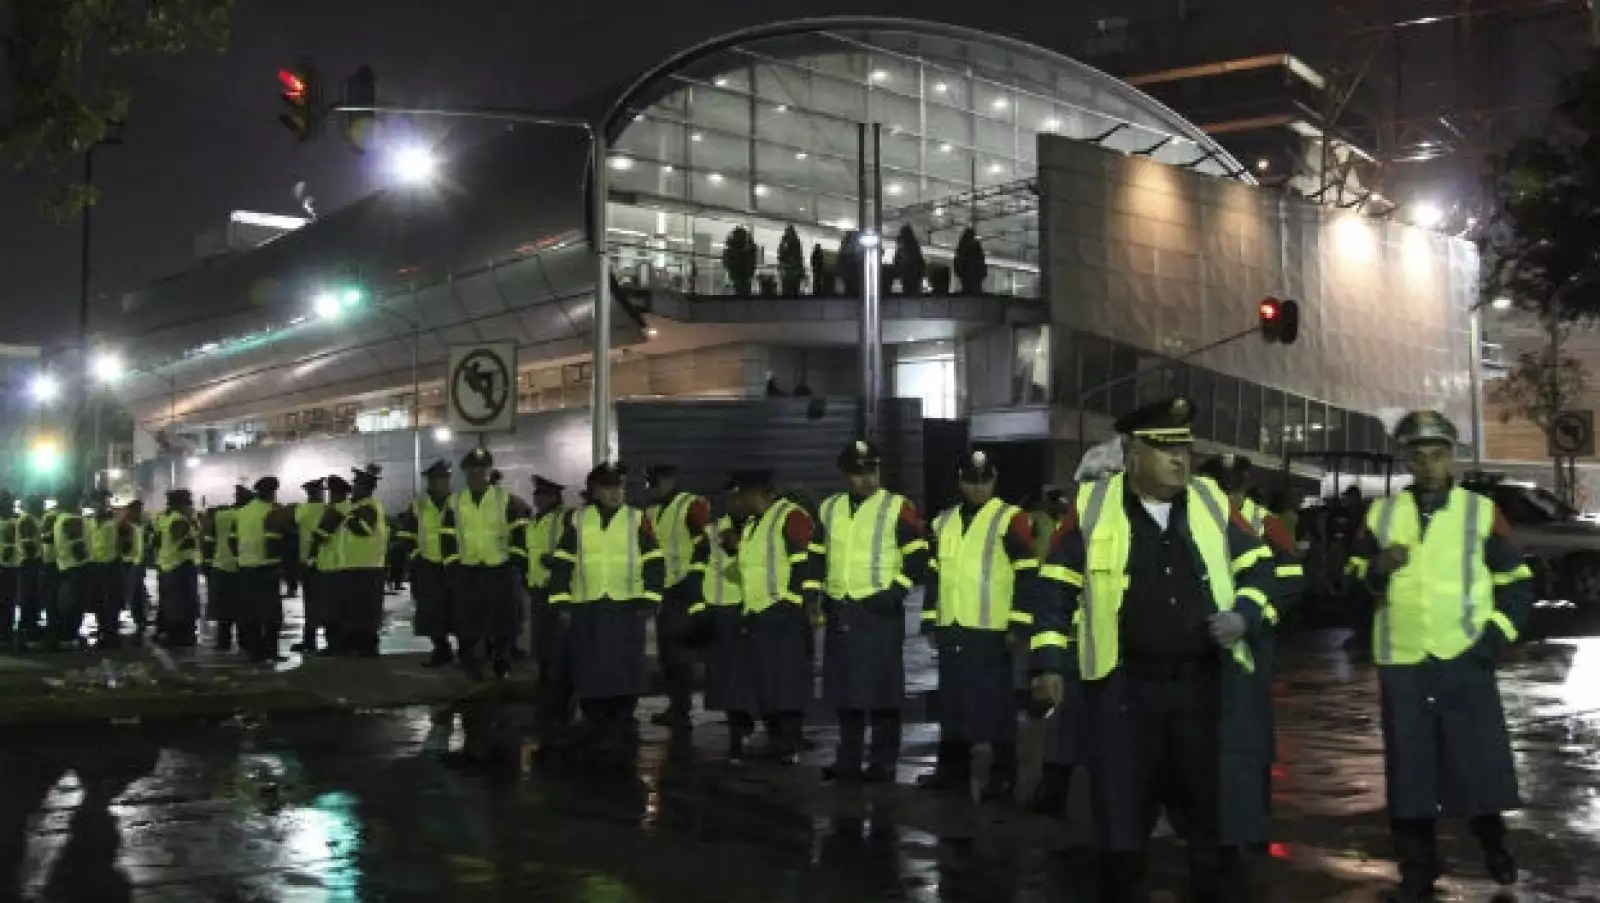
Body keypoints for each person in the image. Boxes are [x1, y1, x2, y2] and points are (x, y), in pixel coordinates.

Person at [1028, 396, 1278, 903]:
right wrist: (1049, 661)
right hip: (1123, 692)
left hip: (1201, 689)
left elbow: (1263, 567)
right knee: (1123, 821)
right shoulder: (1093, 508)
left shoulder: (1211, 502)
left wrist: (1245, 615)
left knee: (1211, 821)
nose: (1179, 460)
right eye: (1165, 449)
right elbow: (1054, 584)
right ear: (1132, 452)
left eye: (1184, 448)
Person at [1345, 411, 1533, 903]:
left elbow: (1518, 585)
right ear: (1406, 458)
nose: (1428, 465)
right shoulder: (1380, 514)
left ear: (1452, 457)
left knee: (1476, 764)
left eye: (1437, 454)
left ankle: (1494, 846)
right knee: (1410, 771)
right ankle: (1417, 871)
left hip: (1462, 657)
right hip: (1403, 659)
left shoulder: (1480, 511)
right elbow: (1351, 576)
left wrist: (1491, 641)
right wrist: (1377, 569)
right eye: (1418, 455)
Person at [920, 450, 1038, 802]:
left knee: (996, 706)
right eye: (971, 481)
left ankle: (1003, 774)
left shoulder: (1009, 519)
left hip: (992, 628)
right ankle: (952, 770)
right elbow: (934, 574)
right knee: (952, 701)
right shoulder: (944, 522)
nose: (978, 488)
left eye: (984, 480)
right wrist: (930, 618)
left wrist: (1018, 623)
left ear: (994, 480)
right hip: (953, 623)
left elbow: (1028, 574)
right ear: (960, 481)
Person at [1198, 454, 1305, 825]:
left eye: (1233, 488)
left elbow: (1290, 581)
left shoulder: (1265, 523)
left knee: (1250, 729)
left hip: (1251, 641)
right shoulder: (1199, 517)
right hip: (1205, 638)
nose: (1229, 495)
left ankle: (1251, 813)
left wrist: (1258, 620)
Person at [814, 439, 928, 783]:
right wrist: (815, 596)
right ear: (844, 475)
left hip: (878, 610)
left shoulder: (897, 507)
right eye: (857, 473)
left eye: (870, 471)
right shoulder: (830, 508)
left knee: (882, 690)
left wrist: (894, 593)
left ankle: (883, 761)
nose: (865, 480)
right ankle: (848, 758)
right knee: (845, 689)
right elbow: (818, 553)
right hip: (842, 607)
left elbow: (919, 553)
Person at [546, 462, 664, 764]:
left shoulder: (637, 520)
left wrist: (650, 599)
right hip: (588, 605)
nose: (616, 493)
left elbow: (654, 560)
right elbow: (562, 561)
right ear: (595, 491)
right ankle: (596, 723)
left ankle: (621, 721)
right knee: (591, 665)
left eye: (620, 487)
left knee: (625, 664)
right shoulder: (577, 520)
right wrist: (561, 602)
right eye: (609, 488)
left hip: (626, 605)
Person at [709, 468, 815, 765]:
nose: (737, 504)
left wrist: (794, 602)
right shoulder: (756, 524)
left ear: (753, 493)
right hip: (757, 613)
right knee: (767, 681)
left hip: (781, 611)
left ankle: (788, 739)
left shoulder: (789, 515)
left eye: (740, 496)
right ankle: (778, 739)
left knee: (785, 680)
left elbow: (803, 562)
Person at [441, 448, 521, 679]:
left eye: (481, 471)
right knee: (468, 619)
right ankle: (471, 662)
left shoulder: (504, 498)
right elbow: (447, 535)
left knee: (503, 618)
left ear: (488, 472)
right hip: (468, 569)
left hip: (499, 567)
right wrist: (453, 565)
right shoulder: (455, 501)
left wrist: (514, 559)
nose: (477, 476)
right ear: (465, 474)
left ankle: (501, 659)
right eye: (472, 472)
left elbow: (518, 529)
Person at [643, 464, 712, 728]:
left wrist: (693, 580)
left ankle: (681, 708)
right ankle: (676, 704)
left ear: (668, 481)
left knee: (679, 650)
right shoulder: (653, 510)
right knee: (667, 650)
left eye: (656, 484)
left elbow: (703, 547)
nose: (653, 491)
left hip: (684, 588)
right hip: (665, 588)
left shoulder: (690, 505)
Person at [686, 480, 746, 731]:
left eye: (740, 498)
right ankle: (736, 731)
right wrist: (699, 608)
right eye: (732, 498)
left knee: (750, 675)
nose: (737, 504)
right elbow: (696, 571)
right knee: (725, 676)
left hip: (752, 612)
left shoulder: (762, 530)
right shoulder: (712, 532)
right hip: (720, 612)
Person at [516, 475, 571, 719]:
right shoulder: (535, 521)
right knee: (541, 636)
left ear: (554, 497)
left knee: (557, 637)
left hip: (556, 587)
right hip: (538, 587)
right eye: (537, 495)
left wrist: (554, 560)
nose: (538, 499)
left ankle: (558, 683)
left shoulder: (564, 518)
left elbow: (571, 547)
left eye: (544, 495)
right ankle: (545, 675)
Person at [398, 461, 455, 666]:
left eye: (443, 479)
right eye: (435, 479)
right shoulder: (418, 504)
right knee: (430, 610)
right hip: (428, 565)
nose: (440, 483)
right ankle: (441, 648)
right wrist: (415, 558)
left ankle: (468, 653)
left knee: (459, 609)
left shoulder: (458, 502)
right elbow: (406, 534)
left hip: (455, 566)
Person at [233, 477, 287, 663]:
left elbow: (233, 539)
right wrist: (278, 566)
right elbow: (274, 541)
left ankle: (254, 651)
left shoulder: (242, 512)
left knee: (251, 613)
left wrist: (239, 559)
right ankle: (270, 651)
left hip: (245, 567)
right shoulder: (273, 511)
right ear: (271, 492)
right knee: (271, 614)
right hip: (266, 567)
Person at [341, 466, 387, 656]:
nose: (353, 489)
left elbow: (363, 530)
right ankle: (358, 643)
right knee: (357, 608)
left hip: (368, 566)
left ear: (366, 488)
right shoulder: (358, 506)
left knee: (366, 609)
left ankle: (368, 646)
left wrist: (349, 518)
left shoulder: (369, 506)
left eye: (356, 485)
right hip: (357, 564)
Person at [307, 476, 353, 653]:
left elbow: (320, 535)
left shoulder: (336, 510)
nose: (329, 496)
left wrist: (310, 558)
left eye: (331, 492)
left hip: (330, 564)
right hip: (344, 564)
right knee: (343, 608)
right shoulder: (350, 508)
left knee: (331, 610)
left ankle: (334, 645)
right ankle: (344, 643)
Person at [155, 489, 202, 648]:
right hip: (179, 566)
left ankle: (177, 634)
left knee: (175, 603)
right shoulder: (178, 519)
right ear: (182, 504)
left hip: (170, 565)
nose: (191, 505)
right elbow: (179, 537)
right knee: (182, 604)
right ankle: (180, 637)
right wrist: (190, 520)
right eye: (188, 502)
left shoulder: (166, 517)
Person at [209, 486, 251, 651]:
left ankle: (223, 642)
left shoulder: (220, 515)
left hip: (220, 565)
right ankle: (244, 642)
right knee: (243, 608)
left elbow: (210, 538)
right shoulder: (244, 516)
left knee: (223, 610)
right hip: (242, 568)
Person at [291, 478, 329, 654]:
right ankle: (330, 640)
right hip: (328, 562)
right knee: (328, 603)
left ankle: (309, 640)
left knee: (311, 603)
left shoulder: (301, 510)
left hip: (306, 561)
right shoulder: (328, 510)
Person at [84, 488, 123, 647]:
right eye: (97, 501)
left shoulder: (116, 521)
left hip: (111, 566)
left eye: (103, 501)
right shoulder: (89, 521)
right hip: (94, 566)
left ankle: (111, 634)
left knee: (111, 601)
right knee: (98, 600)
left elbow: (123, 544)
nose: (99, 504)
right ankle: (102, 629)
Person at [51, 487, 89, 648]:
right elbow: (77, 547)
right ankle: (69, 637)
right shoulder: (72, 520)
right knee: (74, 606)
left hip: (65, 566)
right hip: (76, 568)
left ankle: (66, 636)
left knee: (67, 603)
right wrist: (89, 561)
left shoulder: (60, 519)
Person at [120, 499, 151, 639]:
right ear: (131, 511)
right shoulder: (126, 525)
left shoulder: (137, 525)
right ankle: (112, 624)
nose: (140, 513)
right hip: (129, 564)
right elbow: (125, 547)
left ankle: (141, 620)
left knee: (139, 595)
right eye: (138, 510)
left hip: (136, 564)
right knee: (130, 595)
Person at [16, 495, 45, 645]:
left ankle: (29, 625)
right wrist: (36, 563)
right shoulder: (27, 520)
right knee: (30, 596)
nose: (43, 507)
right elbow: (28, 544)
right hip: (29, 563)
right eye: (40, 504)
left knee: (32, 596)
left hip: (30, 563)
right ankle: (28, 628)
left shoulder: (30, 519)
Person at [0, 492, 19, 642]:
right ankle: (5, 633)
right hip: (8, 567)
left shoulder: (14, 522)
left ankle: (5, 633)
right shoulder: (12, 522)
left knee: (8, 600)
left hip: (10, 567)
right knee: (8, 600)